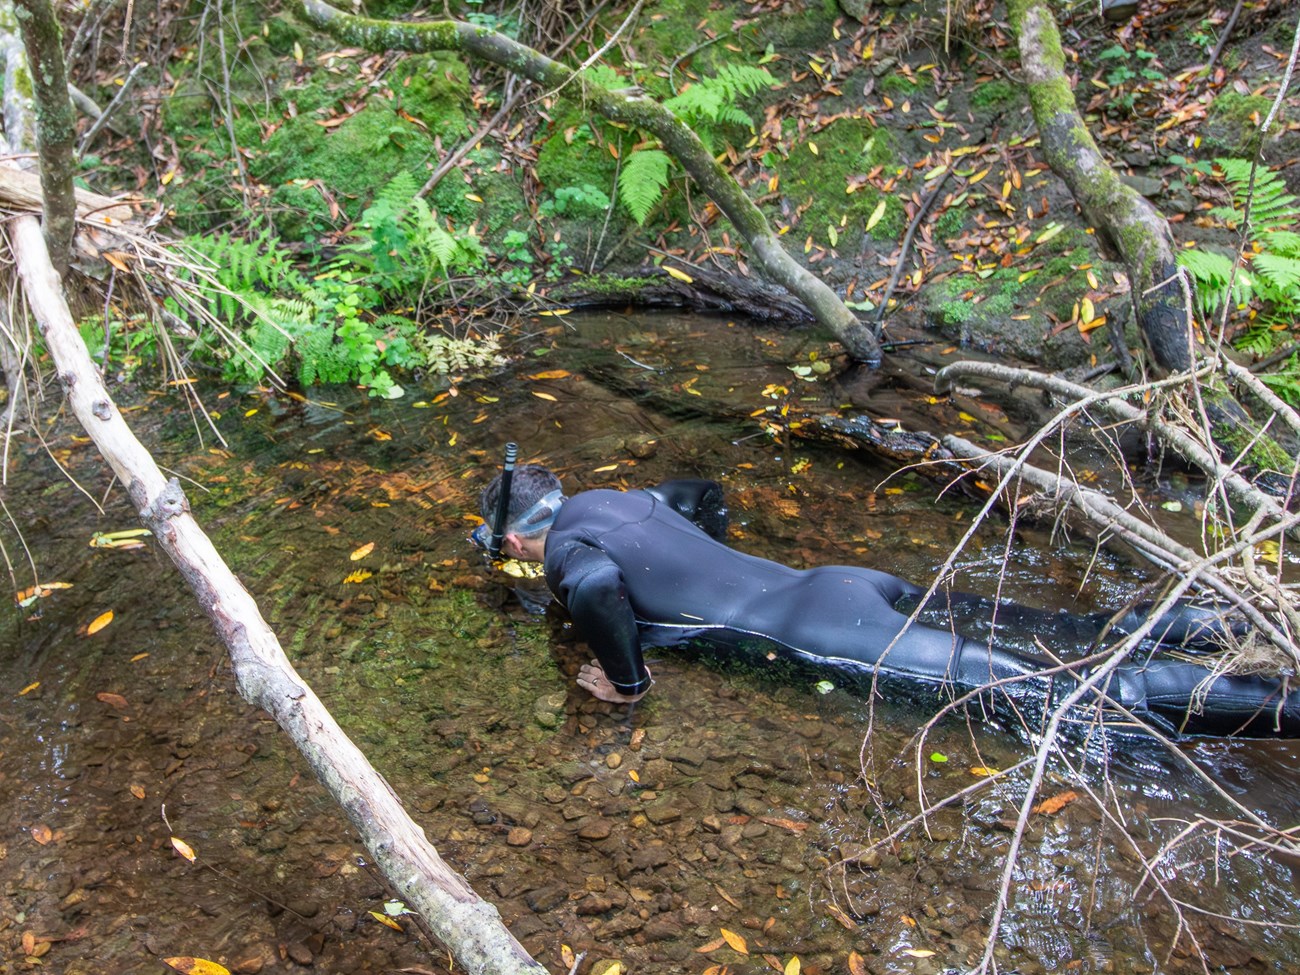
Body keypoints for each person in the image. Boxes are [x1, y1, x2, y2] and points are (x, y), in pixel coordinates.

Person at [474, 464, 1300, 737]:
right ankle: (1248, 623)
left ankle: (1282, 704)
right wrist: (719, 554)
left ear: (514, 540)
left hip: (830, 629)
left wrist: (627, 681)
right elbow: (702, 492)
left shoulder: (569, 552)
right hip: (847, 582)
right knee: (1079, 634)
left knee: (1071, 696)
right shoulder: (623, 496)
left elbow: (593, 589)